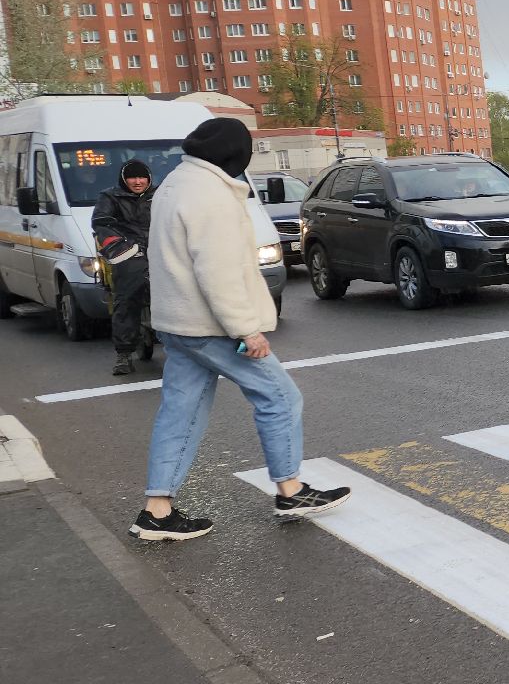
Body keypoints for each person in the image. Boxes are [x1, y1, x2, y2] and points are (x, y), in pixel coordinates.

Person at [131, 118, 350, 542]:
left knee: (181, 413)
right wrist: (246, 330)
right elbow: (218, 272)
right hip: (211, 325)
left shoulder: (176, 185)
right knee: (280, 396)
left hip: (177, 322)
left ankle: (156, 511)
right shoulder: (210, 196)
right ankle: (290, 490)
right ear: (233, 155)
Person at [93, 159, 156, 376]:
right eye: (132, 177)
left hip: (161, 252)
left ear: (149, 178)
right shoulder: (110, 197)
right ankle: (124, 355)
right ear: (123, 178)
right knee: (127, 299)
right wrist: (124, 248)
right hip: (130, 254)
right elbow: (101, 224)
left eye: (142, 177)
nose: (138, 181)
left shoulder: (160, 194)